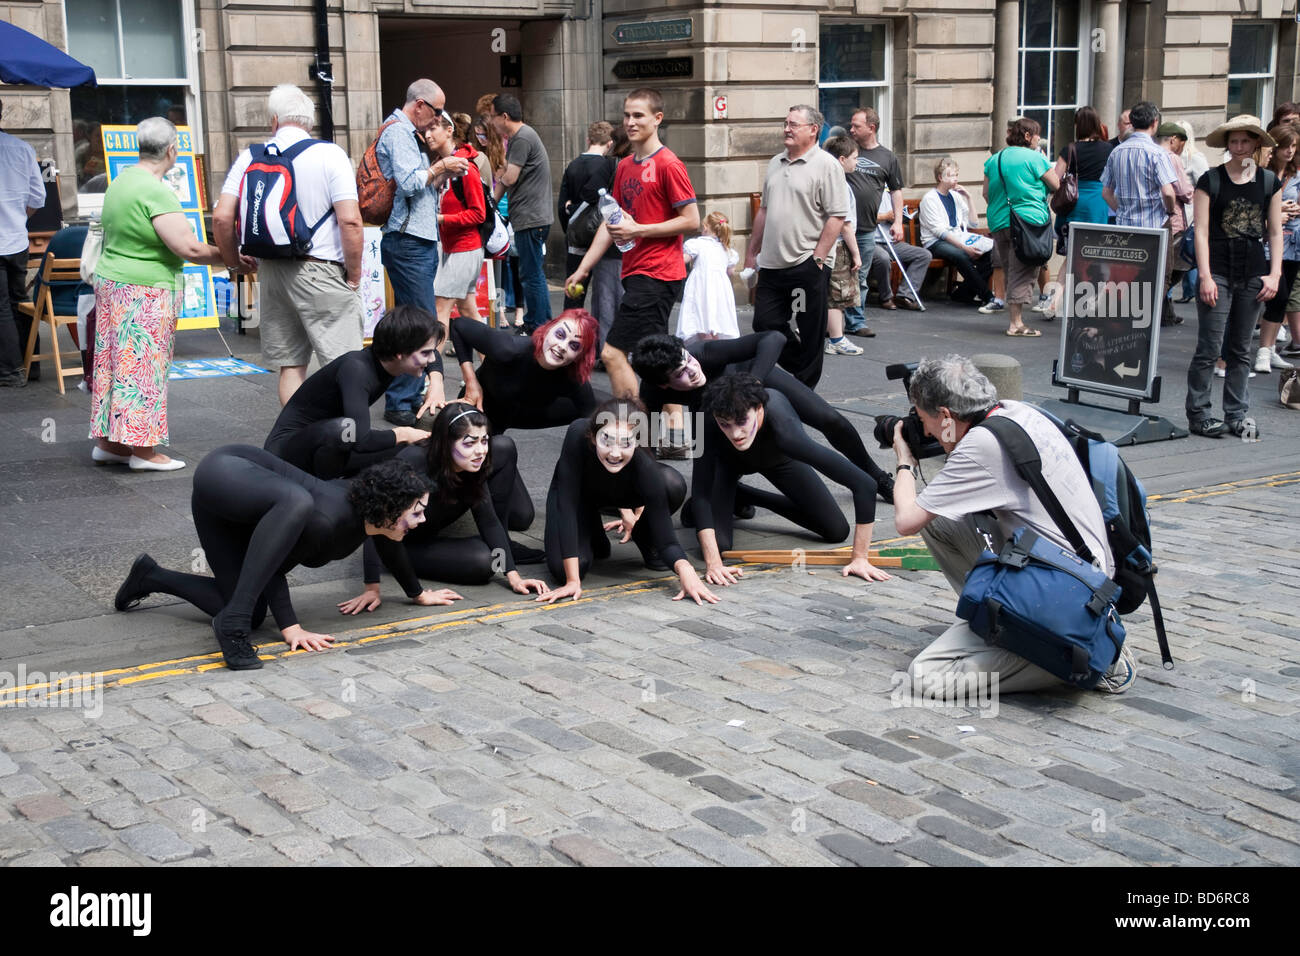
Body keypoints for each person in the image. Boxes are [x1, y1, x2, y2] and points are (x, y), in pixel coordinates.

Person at [888, 355, 1136, 695]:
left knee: (927, 675)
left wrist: (903, 460)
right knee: (939, 519)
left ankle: (1088, 657)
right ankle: (1004, 625)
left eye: (922, 420)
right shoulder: (1015, 412)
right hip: (1079, 573)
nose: (924, 431)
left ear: (946, 415)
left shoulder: (981, 446)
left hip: (1069, 597)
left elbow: (905, 520)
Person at [113, 451, 434, 671]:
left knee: (254, 612)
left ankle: (150, 577)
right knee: (298, 502)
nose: (422, 520)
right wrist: (290, 628)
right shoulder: (328, 522)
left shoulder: (373, 519)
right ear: (389, 509)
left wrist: (417, 594)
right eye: (416, 512)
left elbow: (390, 544)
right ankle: (231, 624)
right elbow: (272, 567)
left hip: (236, 515)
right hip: (223, 475)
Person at [91, 117, 233, 471]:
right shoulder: (156, 190)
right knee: (143, 368)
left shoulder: (120, 181)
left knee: (113, 366)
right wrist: (232, 258)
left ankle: (110, 444)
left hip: (113, 284)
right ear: (172, 150)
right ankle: (144, 452)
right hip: (145, 289)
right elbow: (189, 248)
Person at [215, 84, 365, 407]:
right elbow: (350, 221)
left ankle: (295, 440)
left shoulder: (249, 157)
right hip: (321, 270)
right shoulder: (330, 154)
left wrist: (234, 264)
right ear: (309, 123)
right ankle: (347, 440)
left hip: (272, 271)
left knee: (291, 365)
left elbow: (222, 219)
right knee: (347, 366)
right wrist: (354, 275)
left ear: (274, 121)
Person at [632, 331, 895, 501]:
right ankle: (733, 497)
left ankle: (877, 477)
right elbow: (647, 446)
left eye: (687, 360)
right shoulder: (652, 392)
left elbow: (774, 338)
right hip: (712, 411)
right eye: (680, 374)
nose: (692, 370)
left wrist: (754, 381)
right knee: (714, 459)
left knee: (829, 419)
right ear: (663, 384)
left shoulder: (704, 354)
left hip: (751, 379)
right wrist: (638, 503)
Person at [339, 402, 550, 613]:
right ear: (446, 442)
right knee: (482, 563)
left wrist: (514, 577)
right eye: (469, 443)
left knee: (492, 558)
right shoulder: (414, 462)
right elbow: (377, 522)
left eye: (484, 441)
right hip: (397, 542)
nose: (480, 451)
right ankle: (395, 564)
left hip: (431, 535)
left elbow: (488, 520)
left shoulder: (473, 465)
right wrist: (372, 588)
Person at [691, 373, 888, 588]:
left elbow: (864, 484)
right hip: (726, 465)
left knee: (836, 530)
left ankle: (743, 494)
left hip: (778, 460)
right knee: (719, 548)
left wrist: (860, 557)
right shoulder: (707, 420)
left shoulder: (785, 432)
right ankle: (727, 496)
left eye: (741, 421)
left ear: (758, 409)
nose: (736, 433)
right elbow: (700, 492)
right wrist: (713, 564)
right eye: (725, 424)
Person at [564, 88, 700, 400]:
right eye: (627, 115)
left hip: (658, 275)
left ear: (657, 119)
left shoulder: (669, 164)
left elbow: (691, 220)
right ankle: (673, 437)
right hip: (636, 273)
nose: (630, 121)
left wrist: (639, 230)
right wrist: (583, 268)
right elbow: (612, 222)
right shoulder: (624, 165)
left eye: (638, 115)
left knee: (613, 354)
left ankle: (631, 429)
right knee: (657, 360)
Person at [538, 398, 718, 606]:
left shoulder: (645, 467)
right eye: (607, 440)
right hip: (576, 496)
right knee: (569, 568)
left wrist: (687, 571)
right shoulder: (578, 433)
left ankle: (641, 535)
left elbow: (668, 541)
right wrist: (572, 581)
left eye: (625, 443)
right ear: (594, 437)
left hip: (618, 492)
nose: (615, 453)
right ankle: (593, 534)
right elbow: (566, 504)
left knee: (671, 483)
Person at [375, 79, 469, 425]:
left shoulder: (406, 133)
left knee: (411, 320)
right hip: (408, 240)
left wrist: (440, 169)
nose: (437, 119)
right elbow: (410, 182)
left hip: (415, 239)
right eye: (436, 111)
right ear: (419, 105)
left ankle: (404, 394)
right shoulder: (399, 132)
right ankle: (404, 399)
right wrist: (440, 167)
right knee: (422, 323)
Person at [1186, 116, 1284, 439]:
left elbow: (1274, 231)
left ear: (1256, 143)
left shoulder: (1269, 182)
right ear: (1226, 144)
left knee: (1241, 349)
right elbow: (1200, 231)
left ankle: (1237, 412)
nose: (1239, 147)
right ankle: (1199, 413)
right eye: (1233, 141)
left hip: (1253, 272)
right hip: (1218, 269)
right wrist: (1205, 275)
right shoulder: (1210, 179)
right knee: (1210, 346)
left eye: (1245, 141)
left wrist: (1274, 274)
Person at [263, 306, 443, 478]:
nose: (432, 358)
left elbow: (435, 357)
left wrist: (436, 384)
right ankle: (325, 490)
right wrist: (403, 434)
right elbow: (360, 439)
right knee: (344, 428)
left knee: (414, 452)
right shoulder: (356, 369)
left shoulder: (388, 358)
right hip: (286, 453)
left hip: (335, 446)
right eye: (426, 353)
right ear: (400, 353)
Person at [744, 105, 844, 387]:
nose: (786, 129)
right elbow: (764, 211)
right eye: (785, 123)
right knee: (764, 324)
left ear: (813, 130)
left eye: (794, 125)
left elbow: (837, 216)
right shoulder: (776, 162)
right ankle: (800, 371)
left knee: (809, 326)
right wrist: (752, 253)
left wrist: (818, 258)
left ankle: (805, 386)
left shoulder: (827, 165)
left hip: (805, 264)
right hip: (773, 264)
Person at [982, 117, 1059, 336]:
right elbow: (1056, 184)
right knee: (1023, 270)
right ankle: (1016, 324)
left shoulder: (994, 160)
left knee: (1010, 268)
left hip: (999, 220)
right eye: (1037, 135)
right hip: (1028, 221)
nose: (1039, 140)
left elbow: (986, 193)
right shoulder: (1035, 158)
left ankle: (1015, 318)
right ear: (1027, 136)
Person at [489, 93, 552, 333]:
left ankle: (539, 323)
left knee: (531, 273)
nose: (492, 123)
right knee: (530, 271)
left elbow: (510, 176)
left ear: (504, 116)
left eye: (493, 117)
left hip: (531, 217)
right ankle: (539, 321)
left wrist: (499, 180)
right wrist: (493, 200)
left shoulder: (522, 138)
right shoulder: (521, 137)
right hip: (530, 216)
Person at [842, 107, 905, 337]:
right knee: (835, 275)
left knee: (860, 277)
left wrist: (898, 222)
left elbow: (896, 191)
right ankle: (832, 322)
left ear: (872, 127)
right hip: (840, 227)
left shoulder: (887, 157)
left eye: (856, 126)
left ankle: (856, 322)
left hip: (867, 228)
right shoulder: (847, 150)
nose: (852, 129)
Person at [1044, 107, 1114, 312]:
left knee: (1072, 255)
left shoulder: (1070, 149)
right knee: (1100, 252)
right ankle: (1096, 299)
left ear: (1078, 126)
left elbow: (1056, 180)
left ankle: (1055, 300)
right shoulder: (1108, 149)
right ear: (1097, 124)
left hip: (1075, 204)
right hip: (1099, 203)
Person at [0, 99, 47, 388]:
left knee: (2, 307)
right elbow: (37, 198)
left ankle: (9, 371)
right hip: (17, 238)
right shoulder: (22, 148)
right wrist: (18, 216)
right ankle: (33, 365)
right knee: (21, 301)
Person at [431, 111, 487, 336]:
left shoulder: (466, 167)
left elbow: (478, 214)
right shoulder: (438, 165)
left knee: (440, 309)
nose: (428, 134)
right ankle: (495, 364)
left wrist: (442, 219)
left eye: (433, 128)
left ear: (449, 130)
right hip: (452, 247)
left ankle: (431, 370)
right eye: (426, 129)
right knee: (468, 310)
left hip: (466, 247)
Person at [919, 157, 995, 307]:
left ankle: (963, 293)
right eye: (951, 175)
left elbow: (973, 223)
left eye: (956, 175)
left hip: (959, 237)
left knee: (993, 253)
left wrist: (969, 197)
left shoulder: (956, 196)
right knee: (960, 255)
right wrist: (965, 248)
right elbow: (939, 232)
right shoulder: (930, 199)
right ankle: (987, 296)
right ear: (940, 177)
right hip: (935, 242)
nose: (955, 179)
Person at [1257, 124, 1300, 372]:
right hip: (1270, 243)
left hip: (1293, 241)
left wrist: (1293, 209)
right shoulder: (1264, 173)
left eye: (1294, 146)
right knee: (1278, 293)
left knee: (1282, 299)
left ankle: (1269, 348)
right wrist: (1279, 211)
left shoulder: (1295, 175)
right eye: (1286, 146)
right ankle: (1263, 350)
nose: (1290, 151)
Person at [558, 121, 615, 311]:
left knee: (574, 291)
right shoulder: (608, 166)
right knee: (604, 292)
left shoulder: (573, 165)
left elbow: (562, 204)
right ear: (609, 144)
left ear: (588, 139)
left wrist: (571, 223)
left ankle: (571, 329)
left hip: (576, 238)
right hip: (602, 236)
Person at [1101, 101, 1179, 230]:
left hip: (1124, 226)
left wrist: (1121, 211)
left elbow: (1106, 193)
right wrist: (1170, 211)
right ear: (1154, 122)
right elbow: (1168, 193)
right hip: (1153, 225)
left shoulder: (1116, 152)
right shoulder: (1158, 153)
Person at [820, 135, 865, 354]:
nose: (857, 162)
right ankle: (837, 340)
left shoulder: (823, 179)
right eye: (854, 158)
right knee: (837, 295)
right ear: (841, 159)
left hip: (822, 244)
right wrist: (856, 254)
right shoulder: (840, 185)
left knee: (822, 292)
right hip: (837, 246)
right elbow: (845, 224)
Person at [678, 211, 740, 344]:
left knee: (700, 315)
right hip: (720, 290)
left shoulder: (697, 244)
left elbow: (684, 259)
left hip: (701, 286)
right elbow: (730, 272)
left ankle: (705, 347)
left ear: (705, 227)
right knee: (717, 316)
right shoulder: (727, 250)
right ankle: (716, 346)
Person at [1156, 122, 1196, 324]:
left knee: (1161, 269)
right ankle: (1156, 311)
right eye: (1181, 143)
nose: (1181, 149)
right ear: (1173, 140)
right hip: (1172, 220)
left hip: (1151, 221)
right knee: (1174, 269)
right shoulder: (1171, 158)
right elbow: (1183, 191)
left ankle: (1165, 312)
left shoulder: (1150, 154)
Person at [868, 192, 931, 311]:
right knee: (883, 258)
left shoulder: (889, 193)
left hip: (891, 241)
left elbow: (896, 216)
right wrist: (885, 216)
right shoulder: (865, 190)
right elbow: (861, 217)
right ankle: (886, 298)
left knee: (923, 255)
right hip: (871, 242)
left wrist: (897, 218)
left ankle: (905, 296)